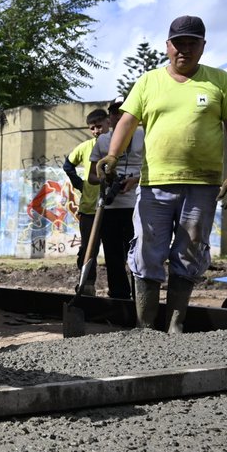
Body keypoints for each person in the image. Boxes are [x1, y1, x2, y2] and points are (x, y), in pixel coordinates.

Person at [96, 15, 227, 333]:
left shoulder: (219, 82)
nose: (185, 49)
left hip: (202, 185)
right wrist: (112, 154)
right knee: (148, 250)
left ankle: (175, 325)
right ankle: (146, 326)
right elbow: (126, 122)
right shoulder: (149, 82)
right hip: (155, 185)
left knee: (190, 251)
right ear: (168, 46)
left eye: (192, 43)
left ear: (203, 47)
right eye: (179, 43)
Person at [87, 97, 145, 300]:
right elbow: (91, 177)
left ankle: (140, 298)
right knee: (113, 255)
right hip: (109, 206)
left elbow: (153, 169)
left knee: (139, 253)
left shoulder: (144, 136)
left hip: (137, 205)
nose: (119, 115)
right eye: (114, 112)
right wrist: (104, 178)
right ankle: (119, 296)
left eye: (123, 111)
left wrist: (136, 180)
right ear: (109, 118)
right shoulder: (102, 140)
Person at [63, 109, 107, 273]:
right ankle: (87, 285)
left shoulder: (117, 145)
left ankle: (119, 293)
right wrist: (80, 184)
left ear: (107, 123)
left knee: (116, 251)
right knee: (88, 250)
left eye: (99, 126)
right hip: (89, 208)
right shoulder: (85, 147)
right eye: (93, 128)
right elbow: (68, 165)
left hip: (114, 207)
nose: (96, 131)